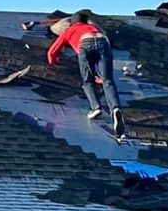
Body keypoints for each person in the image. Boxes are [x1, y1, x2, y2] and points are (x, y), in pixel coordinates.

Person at [46, 10, 127, 140]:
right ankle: (115, 109)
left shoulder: (69, 30)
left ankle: (95, 107)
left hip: (85, 44)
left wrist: (53, 62)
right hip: (103, 42)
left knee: (87, 80)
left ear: (72, 23)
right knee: (108, 81)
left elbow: (53, 51)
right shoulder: (94, 27)